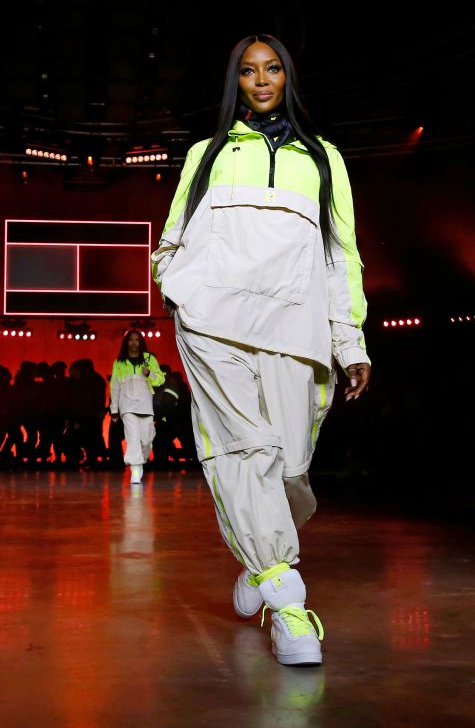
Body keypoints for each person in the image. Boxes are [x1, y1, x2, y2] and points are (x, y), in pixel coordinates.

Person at [151, 34, 371, 666]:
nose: (261, 79)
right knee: (248, 452)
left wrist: (348, 340)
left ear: (287, 76)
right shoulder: (208, 154)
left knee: (288, 466)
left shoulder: (324, 160)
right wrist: (185, 292)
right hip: (216, 324)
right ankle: (287, 598)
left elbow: (341, 257)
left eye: (272, 68)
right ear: (236, 82)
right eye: (249, 71)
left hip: (293, 328)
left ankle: (258, 556)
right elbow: (172, 238)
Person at [109, 329, 165, 483]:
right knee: (132, 438)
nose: (134, 343)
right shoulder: (119, 363)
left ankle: (141, 460)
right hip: (127, 406)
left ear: (141, 342)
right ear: (126, 342)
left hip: (145, 405)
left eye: (137, 340)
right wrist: (114, 410)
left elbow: (160, 380)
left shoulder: (149, 359)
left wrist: (149, 374)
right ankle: (135, 469)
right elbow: (114, 386)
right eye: (131, 340)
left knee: (146, 440)